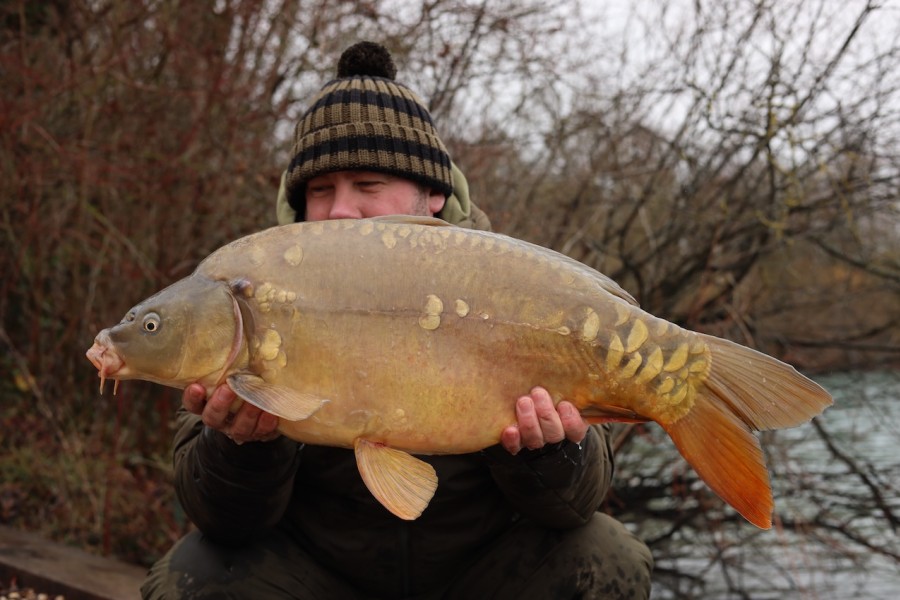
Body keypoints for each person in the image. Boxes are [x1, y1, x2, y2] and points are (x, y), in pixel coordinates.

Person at [142, 41, 653, 600]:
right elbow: (221, 521)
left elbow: (575, 506)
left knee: (606, 557)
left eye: (368, 186)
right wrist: (244, 446)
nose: (340, 210)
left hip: (475, 575)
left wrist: (549, 452)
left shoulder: (512, 286)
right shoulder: (247, 298)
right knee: (192, 574)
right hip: (323, 575)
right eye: (320, 190)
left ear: (431, 194)